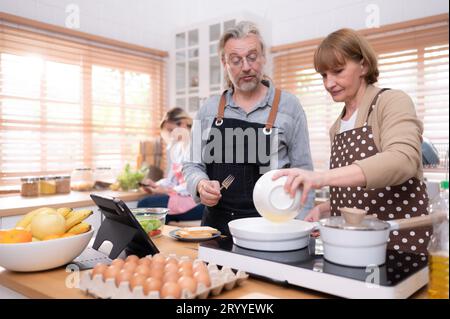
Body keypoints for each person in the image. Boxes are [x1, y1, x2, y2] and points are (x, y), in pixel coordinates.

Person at [273, 28, 431, 253]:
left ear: (364, 65)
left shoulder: (391, 101)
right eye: (324, 75)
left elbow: (402, 161)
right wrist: (326, 208)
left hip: (398, 244)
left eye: (337, 71)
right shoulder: (337, 127)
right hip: (353, 247)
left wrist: (321, 178)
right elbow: (358, 195)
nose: (329, 83)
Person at [182, 21, 314, 236]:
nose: (245, 67)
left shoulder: (289, 107)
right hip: (216, 229)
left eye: (252, 57)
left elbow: (303, 172)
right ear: (225, 64)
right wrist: (200, 184)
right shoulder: (208, 109)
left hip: (272, 228)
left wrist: (304, 229)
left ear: (263, 58)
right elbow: (192, 164)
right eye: (235, 60)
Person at [137, 108, 204, 223]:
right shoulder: (177, 148)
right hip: (180, 198)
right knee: (150, 207)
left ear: (183, 124)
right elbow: (172, 180)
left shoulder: (199, 145)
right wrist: (155, 185)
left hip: (196, 203)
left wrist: (167, 190)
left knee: (145, 205)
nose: (170, 135)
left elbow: (195, 182)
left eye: (171, 130)